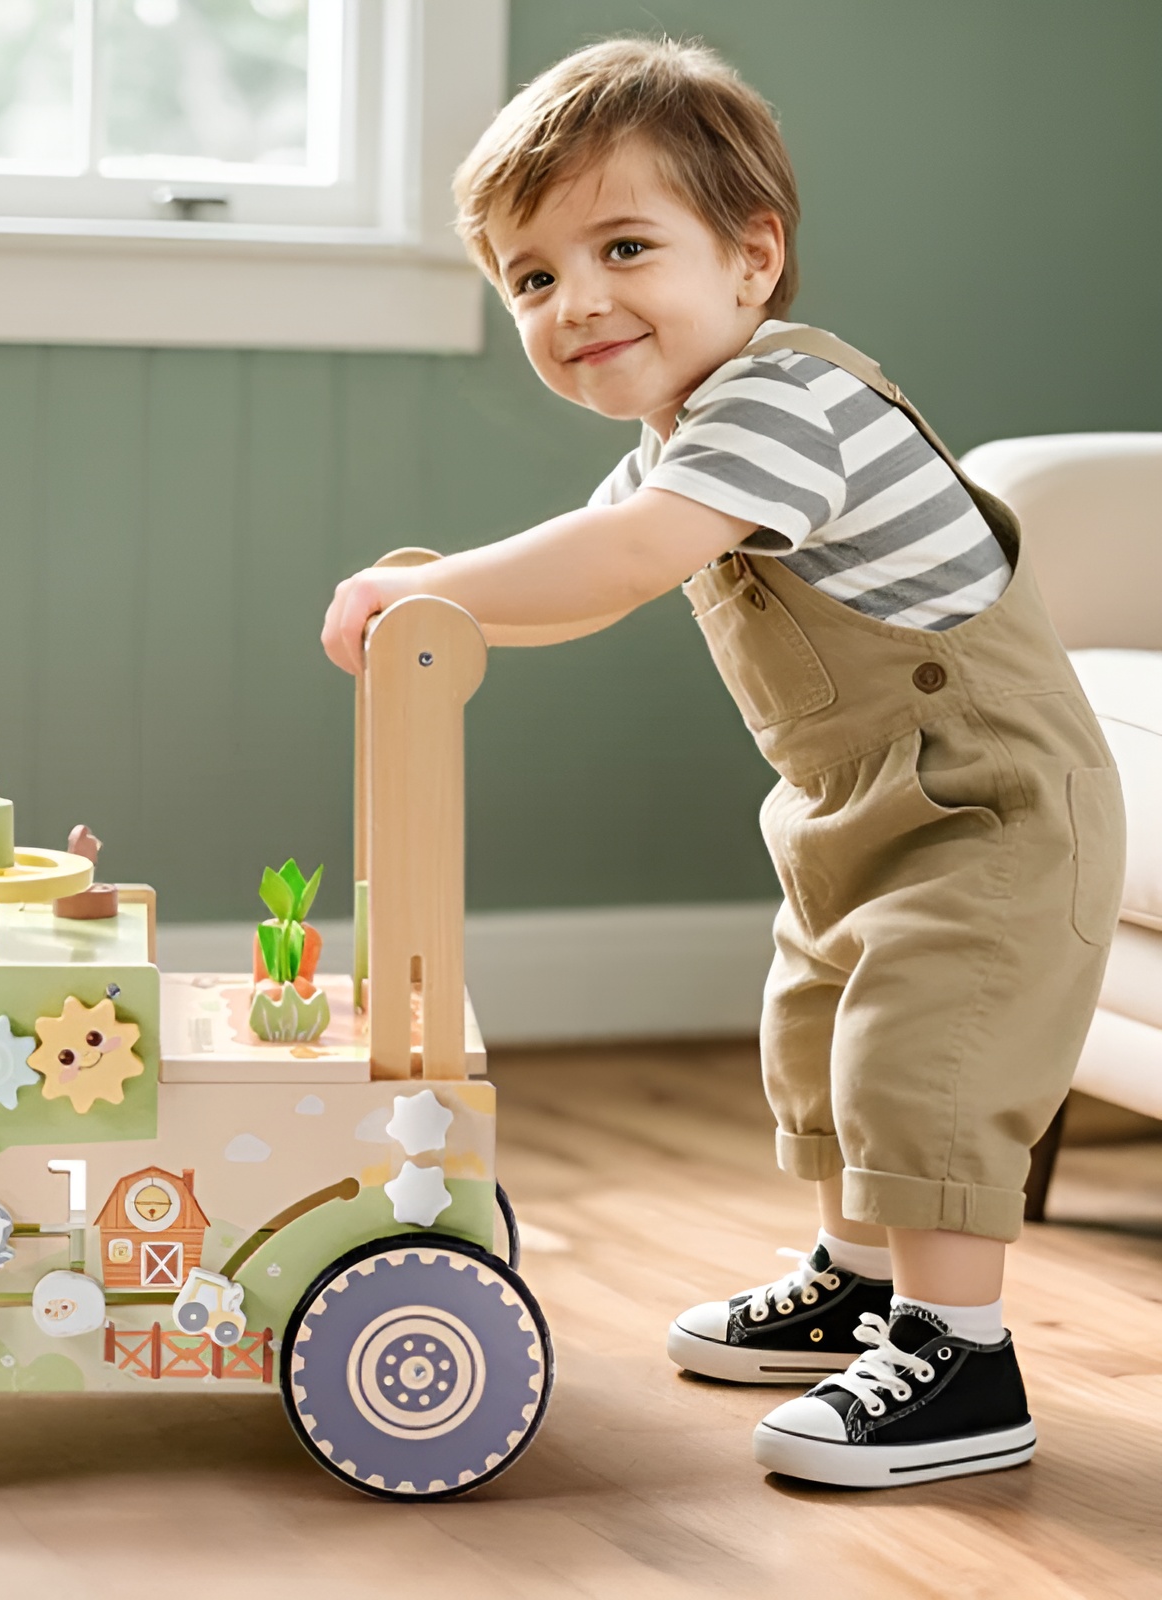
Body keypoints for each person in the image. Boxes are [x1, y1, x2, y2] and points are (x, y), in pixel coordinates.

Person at [320, 36, 1125, 1488]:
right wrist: (448, 594)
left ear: (751, 261)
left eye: (625, 244)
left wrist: (420, 591)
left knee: (921, 1062)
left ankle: (964, 1360)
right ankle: (859, 1283)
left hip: (994, 811)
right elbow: (584, 584)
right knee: (820, 1036)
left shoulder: (783, 399)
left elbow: (623, 562)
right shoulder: (679, 439)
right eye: (534, 276)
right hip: (859, 809)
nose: (580, 301)